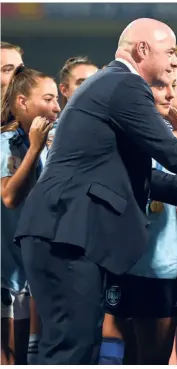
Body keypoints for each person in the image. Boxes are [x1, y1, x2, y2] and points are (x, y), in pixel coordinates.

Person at [13, 18, 177, 365]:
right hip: (66, 234)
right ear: (141, 50)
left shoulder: (110, 85)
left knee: (77, 348)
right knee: (71, 351)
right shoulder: (125, 84)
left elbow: (146, 176)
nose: (172, 61)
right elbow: (173, 153)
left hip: (67, 233)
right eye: (168, 51)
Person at [100, 74, 177, 365]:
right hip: (123, 261)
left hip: (162, 264)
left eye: (174, 88)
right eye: (160, 88)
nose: (169, 95)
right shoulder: (119, 133)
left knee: (155, 357)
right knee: (126, 352)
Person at [1, 66, 59, 364]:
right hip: (5, 275)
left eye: (57, 99)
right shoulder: (6, 144)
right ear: (22, 103)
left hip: (29, 274)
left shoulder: (48, 145)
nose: (56, 107)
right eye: (48, 99)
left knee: (23, 358)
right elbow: (10, 197)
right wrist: (35, 147)